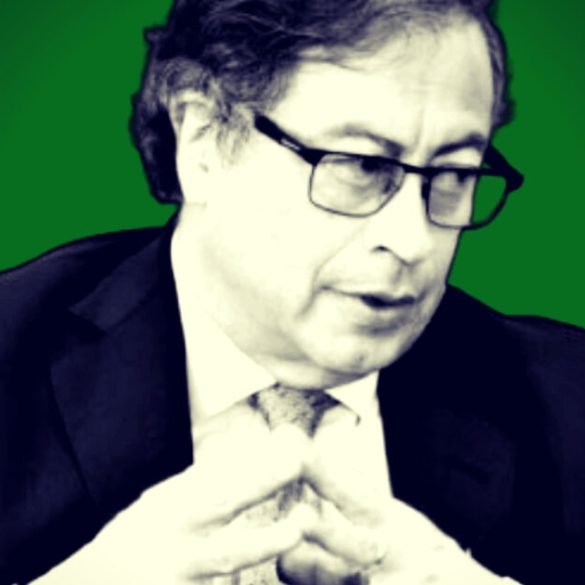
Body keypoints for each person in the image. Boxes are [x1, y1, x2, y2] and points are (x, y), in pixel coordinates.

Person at [1, 0, 584, 584]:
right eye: (360, 165)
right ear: (201, 138)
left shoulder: (568, 398)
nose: (414, 241)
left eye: (455, 173)